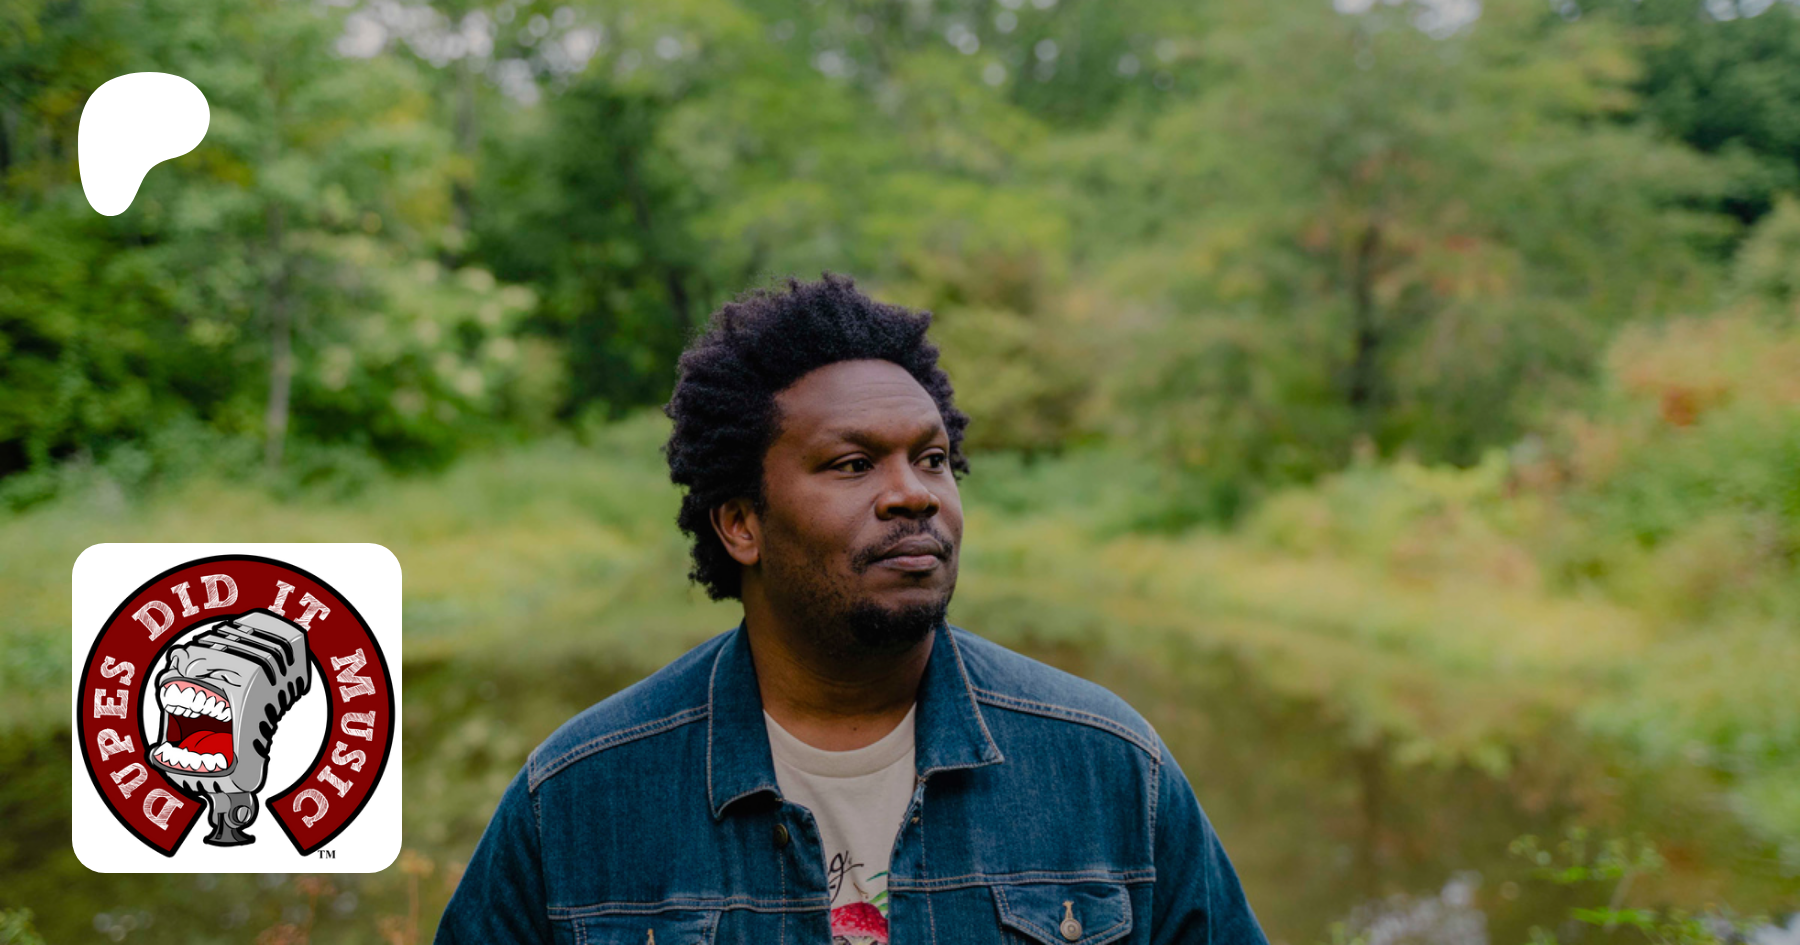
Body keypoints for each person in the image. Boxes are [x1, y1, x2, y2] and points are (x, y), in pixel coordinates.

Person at [435, 273, 1268, 945]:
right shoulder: (580, 795)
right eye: (852, 464)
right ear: (741, 523)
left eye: (932, 458)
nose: (914, 494)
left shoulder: (1107, 765)